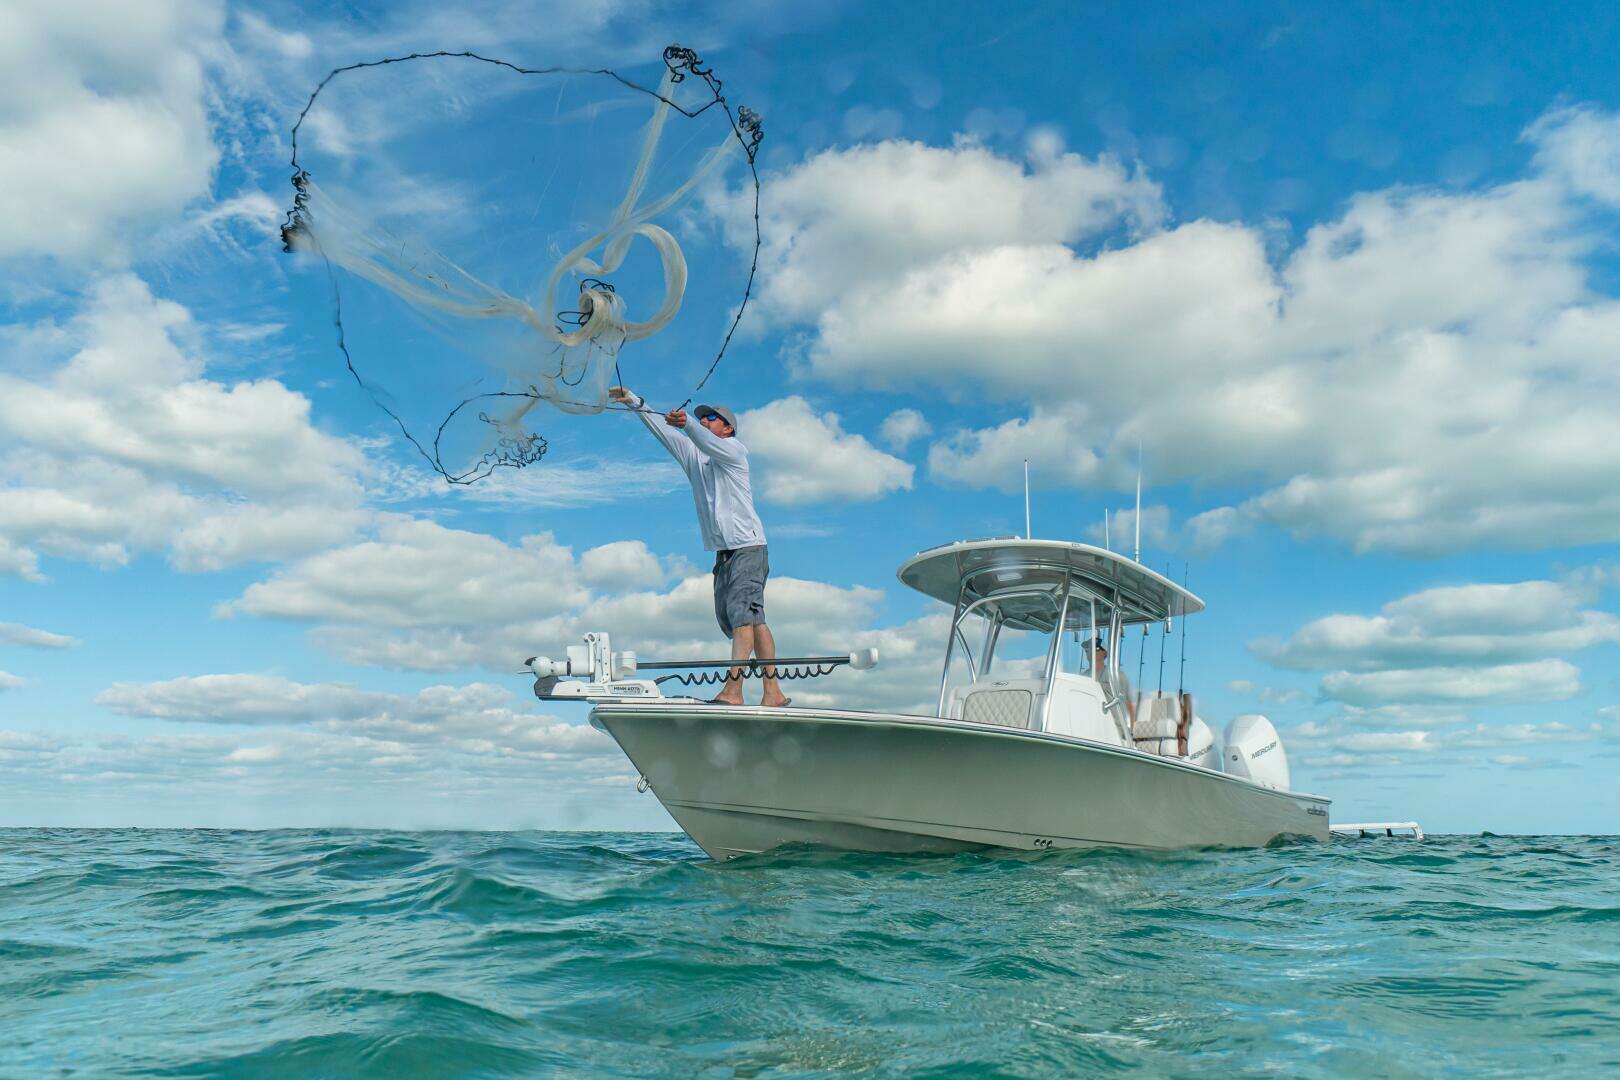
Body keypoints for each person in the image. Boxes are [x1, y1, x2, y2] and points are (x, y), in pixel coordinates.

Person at [608, 386, 789, 707]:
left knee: (743, 618)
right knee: (750, 619)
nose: (705, 421)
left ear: (728, 429)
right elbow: (665, 432)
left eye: (712, 418)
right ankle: (773, 693)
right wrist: (634, 401)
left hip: (749, 546)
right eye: (702, 418)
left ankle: (733, 692)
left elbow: (702, 438)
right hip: (725, 552)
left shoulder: (735, 450)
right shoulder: (695, 454)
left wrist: (689, 424)